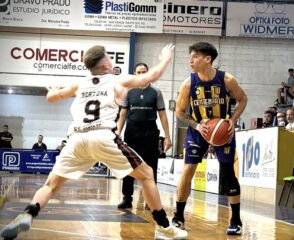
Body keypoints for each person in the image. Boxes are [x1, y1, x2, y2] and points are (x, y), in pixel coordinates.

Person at [0, 44, 188, 239]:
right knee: (147, 174)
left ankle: (29, 213)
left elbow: (51, 97)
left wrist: (54, 90)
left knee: (50, 185)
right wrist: (165, 59)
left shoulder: (79, 84)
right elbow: (149, 78)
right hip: (102, 136)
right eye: (108, 56)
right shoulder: (116, 80)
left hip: (76, 139)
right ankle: (165, 227)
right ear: (105, 63)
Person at [173, 42, 247, 235]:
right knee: (188, 170)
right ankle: (178, 217)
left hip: (222, 130)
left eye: (195, 56)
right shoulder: (188, 84)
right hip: (198, 130)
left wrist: (232, 120)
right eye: (190, 56)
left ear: (208, 59)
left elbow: (243, 99)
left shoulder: (227, 79)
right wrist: (197, 125)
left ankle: (236, 220)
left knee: (228, 173)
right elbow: (179, 112)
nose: (190, 60)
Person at [116, 63, 172, 210]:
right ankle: (127, 198)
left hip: (150, 133)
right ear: (135, 74)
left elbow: (162, 115)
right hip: (132, 133)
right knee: (128, 166)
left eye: (144, 72)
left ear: (148, 73)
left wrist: (167, 136)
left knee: (151, 167)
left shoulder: (156, 92)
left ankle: (150, 200)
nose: (141, 74)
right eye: (139, 72)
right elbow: (123, 114)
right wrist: (117, 132)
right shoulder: (128, 92)